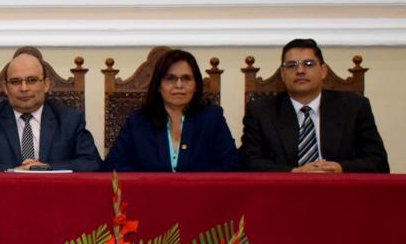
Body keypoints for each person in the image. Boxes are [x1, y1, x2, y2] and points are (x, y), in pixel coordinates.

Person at [240, 38, 389, 173]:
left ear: (323, 71)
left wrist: (341, 168)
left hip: (341, 194)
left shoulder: (354, 107)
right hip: (283, 196)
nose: (300, 71)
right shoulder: (261, 111)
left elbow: (378, 162)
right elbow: (248, 162)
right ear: (283, 75)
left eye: (309, 64)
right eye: (292, 65)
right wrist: (294, 173)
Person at [0, 49, 101, 172]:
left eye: (31, 80)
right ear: (5, 87)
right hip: (1, 198)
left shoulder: (70, 119)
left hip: (55, 199)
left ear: (46, 84)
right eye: (16, 81)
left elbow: (92, 163)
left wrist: (45, 169)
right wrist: (12, 171)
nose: (24, 88)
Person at [103, 49, 239, 172]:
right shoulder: (138, 121)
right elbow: (113, 164)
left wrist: (195, 185)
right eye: (170, 78)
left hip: (201, 197)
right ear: (158, 85)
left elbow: (232, 164)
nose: (179, 85)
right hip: (149, 197)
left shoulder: (212, 119)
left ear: (196, 85)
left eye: (186, 78)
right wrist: (146, 184)